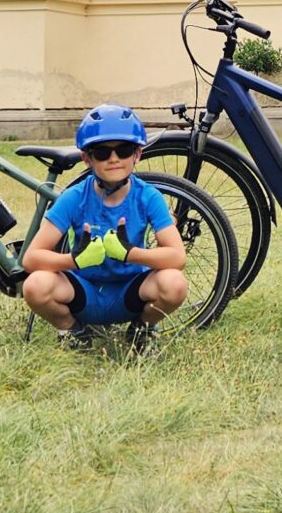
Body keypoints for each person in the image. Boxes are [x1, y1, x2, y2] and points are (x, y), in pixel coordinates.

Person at [19, 104, 189, 345]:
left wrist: (131, 254)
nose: (114, 159)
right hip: (83, 292)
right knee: (35, 285)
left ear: (137, 154)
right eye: (102, 152)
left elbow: (177, 257)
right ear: (86, 158)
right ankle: (74, 330)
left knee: (174, 283)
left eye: (124, 150)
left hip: (132, 292)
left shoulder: (148, 197)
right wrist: (75, 260)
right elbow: (31, 259)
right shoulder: (74, 197)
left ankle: (141, 329)